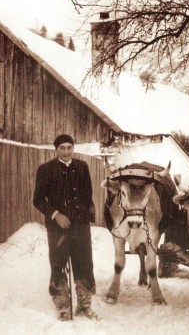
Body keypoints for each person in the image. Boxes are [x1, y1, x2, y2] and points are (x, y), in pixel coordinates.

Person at [33, 134, 98, 321]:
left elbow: (87, 196)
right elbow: (37, 200)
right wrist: (56, 215)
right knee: (58, 264)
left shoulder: (82, 167)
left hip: (80, 226)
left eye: (69, 147)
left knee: (84, 263)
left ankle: (85, 304)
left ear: (73, 148)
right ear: (56, 149)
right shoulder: (46, 170)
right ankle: (62, 305)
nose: (66, 151)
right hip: (57, 227)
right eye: (62, 147)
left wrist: (83, 218)